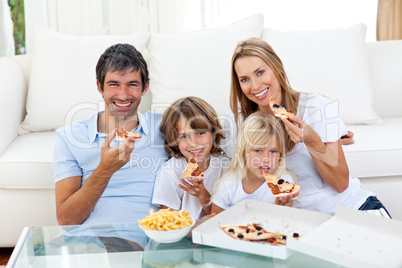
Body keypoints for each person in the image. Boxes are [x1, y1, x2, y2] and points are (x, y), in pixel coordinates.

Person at [223, 37, 391, 217]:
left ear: (276, 67)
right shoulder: (236, 124)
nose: (255, 86)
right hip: (298, 222)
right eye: (244, 79)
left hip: (351, 208)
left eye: (260, 72)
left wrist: (313, 141)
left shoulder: (315, 107)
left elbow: (341, 184)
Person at [53, 43, 169, 249]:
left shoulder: (165, 128)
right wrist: (104, 170)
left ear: (145, 88)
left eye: (132, 84)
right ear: (100, 87)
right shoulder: (69, 137)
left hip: (149, 243)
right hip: (90, 243)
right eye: (114, 84)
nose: (123, 95)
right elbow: (67, 220)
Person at [152, 97, 231, 219]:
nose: (193, 143)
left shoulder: (226, 167)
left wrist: (203, 195)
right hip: (185, 236)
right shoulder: (170, 171)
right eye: (183, 136)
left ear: (213, 133)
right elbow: (168, 222)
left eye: (200, 133)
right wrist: (195, 227)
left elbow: (226, 217)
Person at [211, 112, 299, 214]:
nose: (266, 159)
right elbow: (216, 223)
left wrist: (278, 207)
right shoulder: (227, 186)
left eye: (273, 151)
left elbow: (281, 224)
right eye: (258, 150)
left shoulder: (284, 182)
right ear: (243, 151)